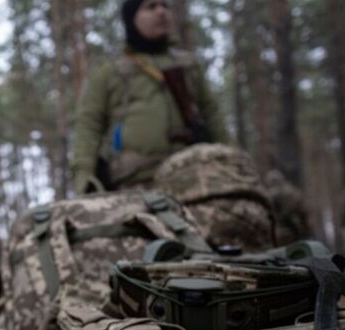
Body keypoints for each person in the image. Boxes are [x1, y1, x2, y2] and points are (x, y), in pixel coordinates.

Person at [71, 0, 228, 194]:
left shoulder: (188, 65)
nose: (161, 12)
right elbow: (88, 126)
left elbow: (212, 114)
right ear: (131, 18)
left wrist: (230, 159)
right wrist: (84, 177)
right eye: (150, 7)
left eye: (165, 5)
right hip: (134, 184)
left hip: (195, 177)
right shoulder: (108, 73)